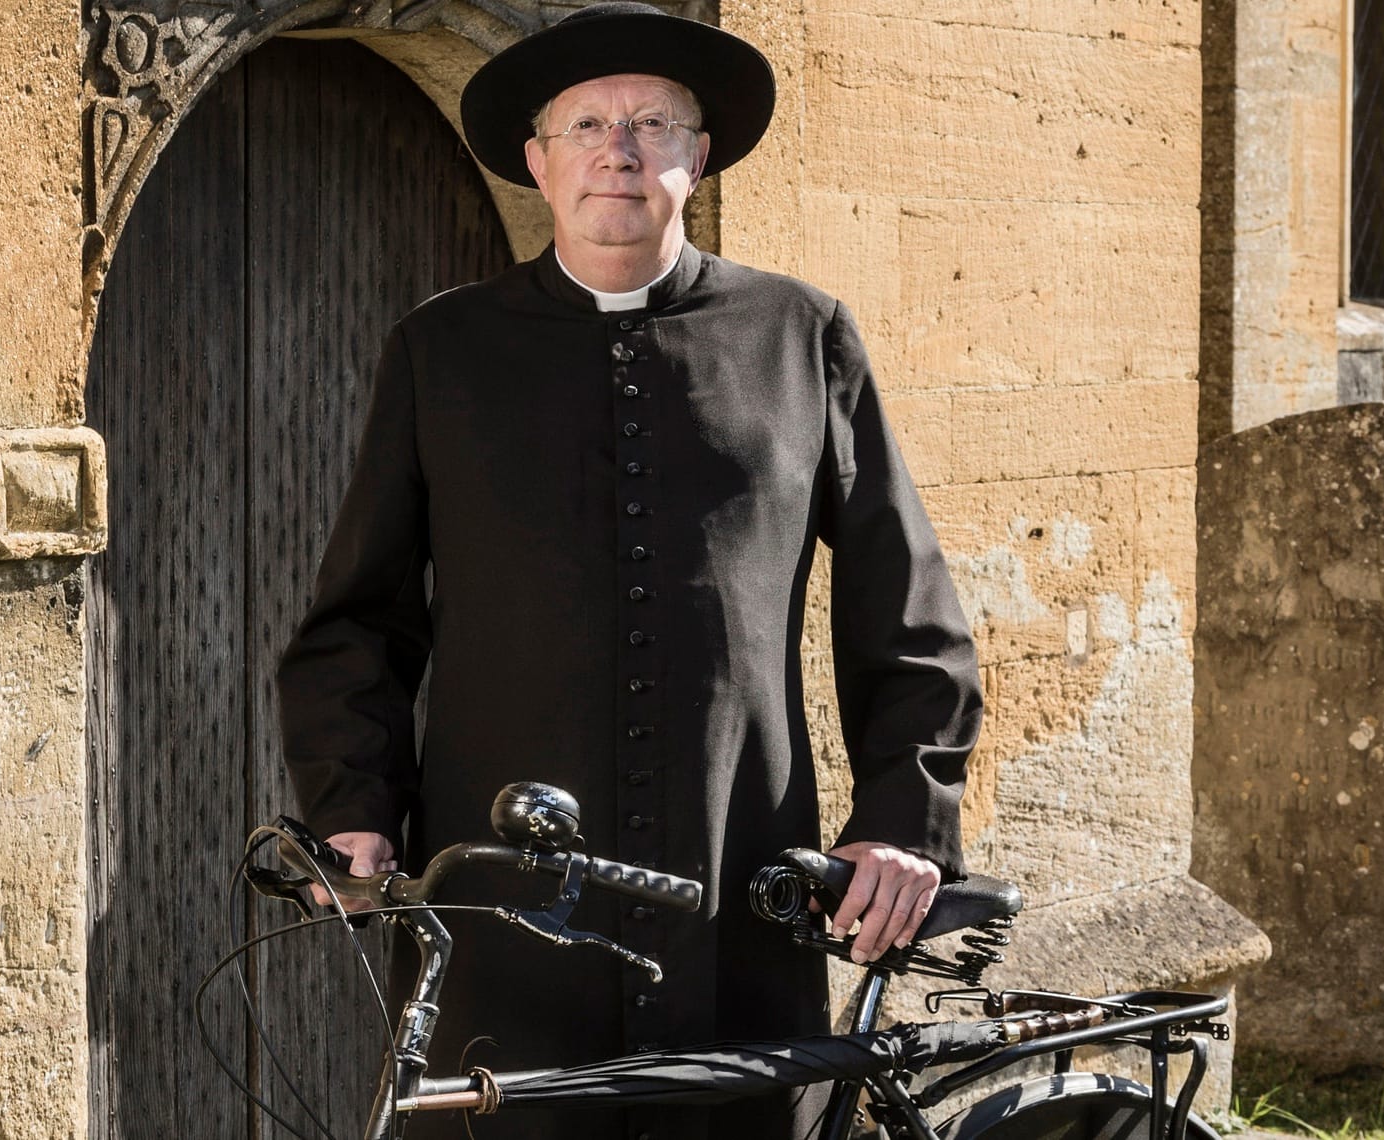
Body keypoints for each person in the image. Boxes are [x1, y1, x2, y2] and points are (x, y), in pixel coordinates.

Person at [276, 4, 983, 1137]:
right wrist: (353, 806)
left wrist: (903, 815)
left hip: (738, 876)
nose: (620, 150)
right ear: (536, 162)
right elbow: (357, 623)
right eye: (588, 125)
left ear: (695, 158)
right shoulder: (441, 350)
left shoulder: (802, 338)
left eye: (653, 123)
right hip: (504, 893)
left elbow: (904, 609)